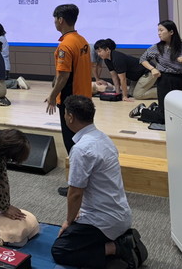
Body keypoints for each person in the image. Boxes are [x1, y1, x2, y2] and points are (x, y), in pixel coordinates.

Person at [51, 95, 148, 269]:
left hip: (104, 222)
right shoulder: (104, 139)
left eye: (65, 114)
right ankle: (123, 239)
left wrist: (68, 222)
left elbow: (75, 193)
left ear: (70, 117)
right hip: (122, 215)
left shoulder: (81, 149)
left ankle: (117, 247)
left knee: (61, 250)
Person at [45, 4, 91, 197]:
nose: (54, 22)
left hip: (71, 102)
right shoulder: (82, 40)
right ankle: (86, 181)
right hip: (84, 98)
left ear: (60, 20)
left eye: (55, 19)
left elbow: (63, 76)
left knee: (73, 145)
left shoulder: (65, 45)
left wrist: (52, 96)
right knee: (83, 141)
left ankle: (76, 186)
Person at [137, 20, 182, 124]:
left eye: (161, 30)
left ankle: (155, 108)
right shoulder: (157, 47)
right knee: (164, 118)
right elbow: (143, 59)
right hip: (165, 80)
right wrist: (152, 69)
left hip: (181, 79)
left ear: (171, 32)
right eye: (158, 31)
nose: (159, 33)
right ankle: (142, 110)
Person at [0, 22, 29, 90]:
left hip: (2, 65)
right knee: (4, 80)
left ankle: (17, 82)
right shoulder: (3, 38)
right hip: (5, 65)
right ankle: (18, 82)